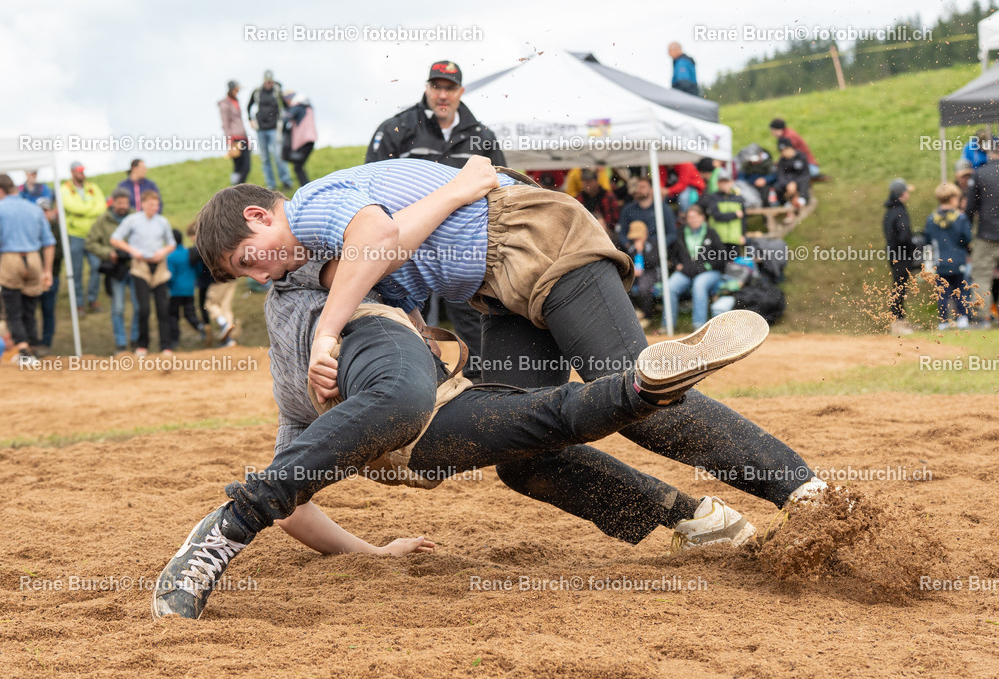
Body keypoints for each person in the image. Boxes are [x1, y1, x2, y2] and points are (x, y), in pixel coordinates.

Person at [192, 157, 826, 553]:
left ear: (259, 216)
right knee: (523, 455)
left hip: (536, 241)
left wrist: (327, 337)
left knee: (637, 394)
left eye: (248, 261)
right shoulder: (316, 266)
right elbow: (395, 247)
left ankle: (808, 497)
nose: (257, 278)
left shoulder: (309, 206)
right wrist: (373, 550)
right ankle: (695, 520)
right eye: (243, 277)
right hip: (500, 292)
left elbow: (378, 238)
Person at [153, 258, 777, 621]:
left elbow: (297, 504)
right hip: (416, 428)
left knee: (540, 441)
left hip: (441, 410)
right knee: (547, 420)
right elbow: (296, 502)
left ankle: (678, 472)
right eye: (245, 262)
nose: (258, 268)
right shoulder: (307, 292)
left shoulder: (324, 304)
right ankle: (644, 390)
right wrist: (371, 553)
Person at [364, 60, 506, 382]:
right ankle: (417, 387)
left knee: (475, 318)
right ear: (427, 88)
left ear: (461, 92)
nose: (442, 94)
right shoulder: (396, 129)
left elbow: (500, 190)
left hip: (463, 245)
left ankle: (484, 393)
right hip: (406, 244)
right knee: (404, 317)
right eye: (436, 87)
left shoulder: (482, 136)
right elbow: (369, 183)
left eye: (450, 88)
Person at [0, 174, 55, 364]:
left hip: (10, 258)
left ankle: (24, 351)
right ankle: (33, 349)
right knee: (30, 309)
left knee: (13, 310)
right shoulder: (34, 208)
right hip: (34, 258)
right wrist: (47, 271)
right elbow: (49, 242)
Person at [109, 190, 176, 355]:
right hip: (140, 266)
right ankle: (142, 345)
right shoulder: (132, 220)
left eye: (157, 204)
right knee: (143, 308)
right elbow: (115, 238)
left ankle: (165, 346)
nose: (155, 207)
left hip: (159, 266)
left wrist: (163, 251)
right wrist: (132, 250)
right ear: (144, 204)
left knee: (163, 308)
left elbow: (171, 243)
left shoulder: (162, 221)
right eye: (152, 204)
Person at [965, 138, 999, 328]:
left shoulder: (979, 174)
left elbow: (969, 209)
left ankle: (982, 317)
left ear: (991, 154)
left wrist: (966, 235)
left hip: (987, 236)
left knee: (981, 276)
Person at [87, 188, 138, 353]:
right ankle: (121, 344)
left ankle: (136, 341)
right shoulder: (102, 221)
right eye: (119, 202)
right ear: (113, 202)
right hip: (116, 269)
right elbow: (90, 242)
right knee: (118, 308)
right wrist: (108, 253)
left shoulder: (136, 217)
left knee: (139, 306)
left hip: (136, 267)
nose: (123, 206)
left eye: (125, 202)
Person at [667, 203, 727, 332]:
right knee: (670, 287)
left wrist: (706, 265)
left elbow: (722, 257)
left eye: (695, 217)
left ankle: (699, 326)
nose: (693, 220)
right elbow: (673, 254)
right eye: (690, 217)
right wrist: (677, 264)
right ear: (687, 219)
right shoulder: (681, 233)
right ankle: (668, 325)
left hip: (709, 271)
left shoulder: (711, 233)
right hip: (687, 271)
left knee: (699, 285)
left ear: (702, 217)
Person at [923, 183, 972, 330]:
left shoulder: (931, 219)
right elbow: (967, 238)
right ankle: (962, 318)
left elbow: (928, 240)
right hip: (958, 261)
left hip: (940, 262)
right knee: (961, 290)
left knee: (942, 294)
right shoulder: (961, 218)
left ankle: (943, 321)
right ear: (952, 199)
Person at [59, 161, 106, 314]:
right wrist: (91, 208)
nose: (82, 173)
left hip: (93, 236)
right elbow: (72, 207)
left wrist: (83, 212)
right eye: (79, 171)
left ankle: (93, 299)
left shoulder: (93, 187)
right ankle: (79, 303)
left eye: (83, 170)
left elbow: (102, 206)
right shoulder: (64, 189)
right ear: (72, 172)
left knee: (96, 267)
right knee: (76, 272)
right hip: (75, 236)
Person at [247, 70, 293, 192]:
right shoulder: (257, 92)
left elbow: (286, 107)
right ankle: (271, 184)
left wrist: (286, 121)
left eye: (270, 82)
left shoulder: (277, 91)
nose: (269, 84)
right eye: (267, 82)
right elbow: (249, 106)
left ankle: (286, 181)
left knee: (278, 156)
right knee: (265, 158)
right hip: (261, 129)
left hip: (274, 128)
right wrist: (250, 120)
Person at [883, 178, 917, 335]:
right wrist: (913, 247)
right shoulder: (900, 211)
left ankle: (899, 319)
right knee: (900, 288)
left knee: (899, 286)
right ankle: (897, 322)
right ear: (902, 193)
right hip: (902, 255)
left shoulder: (889, 211)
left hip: (893, 253)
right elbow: (904, 236)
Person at [167, 229, 205, 348]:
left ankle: (174, 339)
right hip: (189, 289)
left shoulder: (171, 256)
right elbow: (198, 269)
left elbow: (171, 276)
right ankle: (201, 328)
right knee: (189, 313)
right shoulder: (188, 252)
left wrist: (167, 286)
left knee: (173, 315)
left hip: (175, 291)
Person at [617, 175, 677, 250]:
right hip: (634, 249)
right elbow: (622, 234)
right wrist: (630, 246)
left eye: (643, 187)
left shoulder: (663, 209)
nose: (639, 190)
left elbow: (672, 233)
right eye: (637, 187)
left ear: (651, 189)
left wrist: (657, 246)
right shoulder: (628, 209)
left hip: (657, 249)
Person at [34, 197, 62, 354]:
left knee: (48, 309)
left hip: (53, 274)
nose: (44, 214)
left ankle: (46, 342)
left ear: (51, 211)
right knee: (31, 309)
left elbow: (59, 252)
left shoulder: (57, 228)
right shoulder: (33, 227)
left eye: (46, 210)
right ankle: (33, 341)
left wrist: (46, 264)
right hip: (33, 275)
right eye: (41, 211)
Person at [700, 174, 747, 258]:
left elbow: (743, 219)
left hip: (734, 237)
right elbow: (717, 216)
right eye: (722, 182)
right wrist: (735, 214)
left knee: (735, 265)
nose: (724, 185)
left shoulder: (738, 198)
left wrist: (743, 235)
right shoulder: (713, 198)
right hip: (718, 238)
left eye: (726, 182)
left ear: (731, 183)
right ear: (718, 184)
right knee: (720, 263)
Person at [625, 220, 659, 326]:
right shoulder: (630, 247)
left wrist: (641, 252)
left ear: (645, 235)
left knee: (644, 288)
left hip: (650, 273)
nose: (636, 240)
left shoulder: (653, 245)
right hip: (635, 274)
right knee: (624, 284)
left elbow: (654, 262)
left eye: (639, 237)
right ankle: (635, 311)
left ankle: (647, 316)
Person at [281, 91, 317, 187]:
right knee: (299, 166)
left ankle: (307, 187)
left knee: (296, 165)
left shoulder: (296, 107)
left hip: (302, 141)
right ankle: (307, 186)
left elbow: (285, 120)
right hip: (311, 140)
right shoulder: (308, 107)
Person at [575, 168, 620, 242]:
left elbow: (614, 220)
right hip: (584, 232)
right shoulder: (579, 198)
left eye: (589, 181)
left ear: (596, 181)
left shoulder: (608, 196)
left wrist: (602, 225)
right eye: (584, 182)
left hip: (606, 232)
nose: (586, 184)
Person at [219, 80, 251, 186]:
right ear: (231, 89)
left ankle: (236, 189)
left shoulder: (236, 101)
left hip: (242, 137)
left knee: (245, 166)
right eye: (236, 89)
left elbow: (240, 122)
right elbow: (225, 124)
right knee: (241, 166)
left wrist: (247, 139)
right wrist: (230, 142)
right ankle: (236, 189)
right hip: (234, 139)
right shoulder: (224, 104)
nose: (238, 91)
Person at [773, 139, 811, 211]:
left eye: (785, 150)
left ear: (791, 148)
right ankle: (785, 204)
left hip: (799, 180)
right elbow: (780, 175)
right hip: (787, 182)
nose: (784, 153)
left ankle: (802, 201)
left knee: (804, 183)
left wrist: (795, 183)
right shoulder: (782, 161)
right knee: (777, 187)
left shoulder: (801, 157)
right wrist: (787, 184)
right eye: (781, 151)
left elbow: (805, 174)